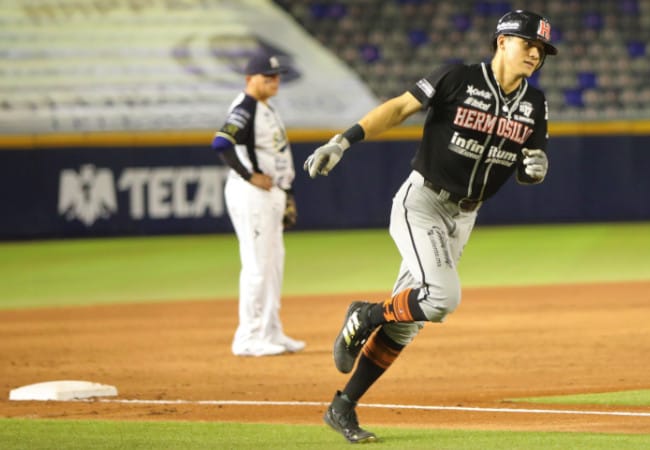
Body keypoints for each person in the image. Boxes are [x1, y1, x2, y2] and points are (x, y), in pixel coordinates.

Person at [303, 10, 556, 443]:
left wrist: (536, 169)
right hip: (422, 202)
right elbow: (401, 107)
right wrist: (343, 140)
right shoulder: (457, 79)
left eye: (542, 49)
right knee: (441, 298)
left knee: (406, 323)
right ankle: (364, 314)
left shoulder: (535, 104)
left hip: (464, 217)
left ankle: (342, 407)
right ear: (501, 42)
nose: (535, 53)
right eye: (526, 43)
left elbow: (528, 167)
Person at [211, 52, 305, 357]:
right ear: (250, 79)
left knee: (273, 264)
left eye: (276, 76)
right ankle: (248, 337)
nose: (274, 81)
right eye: (268, 77)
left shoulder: (266, 107)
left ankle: (271, 331)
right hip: (252, 195)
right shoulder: (245, 107)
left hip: (272, 194)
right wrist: (249, 175)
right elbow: (221, 143)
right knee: (256, 266)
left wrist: (286, 194)